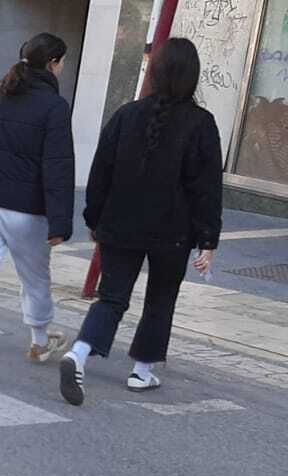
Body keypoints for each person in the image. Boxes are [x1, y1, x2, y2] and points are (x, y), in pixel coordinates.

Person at [60, 37, 222, 405]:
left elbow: (100, 172)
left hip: (120, 223)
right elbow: (207, 188)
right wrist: (208, 240)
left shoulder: (126, 115)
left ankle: (79, 353)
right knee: (161, 299)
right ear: (193, 77)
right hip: (173, 231)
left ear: (155, 71)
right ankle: (142, 371)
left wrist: (94, 218)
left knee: (112, 297)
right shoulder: (201, 124)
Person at [0, 32, 73, 377]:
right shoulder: (54, 106)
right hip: (28, 212)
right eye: (62, 62)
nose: (63, 68)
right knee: (35, 279)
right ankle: (39, 340)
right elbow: (58, 166)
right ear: (52, 63)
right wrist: (60, 222)